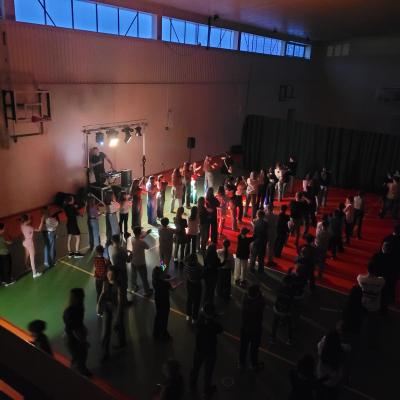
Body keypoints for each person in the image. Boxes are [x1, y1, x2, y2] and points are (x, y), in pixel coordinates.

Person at [189, 303, 223, 397]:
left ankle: (192, 385)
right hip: (210, 351)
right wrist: (216, 319)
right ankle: (206, 390)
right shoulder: (214, 325)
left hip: (199, 349)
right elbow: (220, 329)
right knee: (208, 372)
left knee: (195, 368)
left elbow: (198, 323)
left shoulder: (199, 322)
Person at [97, 269, 126, 361]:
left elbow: (120, 301)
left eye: (111, 274)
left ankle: (121, 342)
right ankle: (105, 352)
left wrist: (118, 315)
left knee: (118, 325)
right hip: (107, 306)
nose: (109, 275)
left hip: (115, 306)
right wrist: (99, 304)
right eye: (108, 273)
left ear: (115, 276)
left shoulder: (118, 285)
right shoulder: (105, 282)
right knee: (106, 330)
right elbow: (103, 292)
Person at [63, 288, 91, 377]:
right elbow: (74, 329)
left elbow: (78, 323)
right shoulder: (72, 311)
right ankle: (80, 372)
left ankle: (79, 369)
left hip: (73, 336)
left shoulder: (78, 308)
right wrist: (83, 341)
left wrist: (83, 328)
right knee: (80, 356)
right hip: (72, 338)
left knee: (77, 356)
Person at [357, 259, 385, 347]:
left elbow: (360, 281)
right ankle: (371, 341)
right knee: (372, 324)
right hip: (374, 306)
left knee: (363, 321)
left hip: (364, 303)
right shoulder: (381, 281)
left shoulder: (361, 279)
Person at [238, 284, 266, 370]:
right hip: (255, 329)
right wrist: (260, 294)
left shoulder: (245, 299)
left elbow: (247, 294)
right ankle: (253, 364)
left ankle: (241, 363)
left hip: (245, 328)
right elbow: (263, 302)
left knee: (243, 347)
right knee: (254, 348)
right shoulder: (259, 303)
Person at [316, 329, 348, 400]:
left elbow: (319, 344)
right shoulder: (340, 353)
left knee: (319, 395)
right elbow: (348, 348)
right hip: (333, 381)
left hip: (321, 376)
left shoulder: (322, 348)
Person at [153, 266, 176, 340]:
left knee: (158, 315)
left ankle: (156, 332)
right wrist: (176, 284)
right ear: (161, 275)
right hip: (165, 301)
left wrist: (169, 279)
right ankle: (164, 335)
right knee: (164, 318)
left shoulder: (155, 280)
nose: (165, 273)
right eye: (163, 273)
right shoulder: (165, 284)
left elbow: (164, 277)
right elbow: (172, 289)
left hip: (158, 299)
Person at [131, 226, 153, 296]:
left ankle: (134, 287)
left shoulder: (132, 239)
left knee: (134, 276)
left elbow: (139, 238)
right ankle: (147, 291)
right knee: (144, 278)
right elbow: (147, 247)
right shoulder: (141, 242)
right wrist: (146, 234)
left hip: (133, 261)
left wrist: (146, 233)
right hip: (141, 262)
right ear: (140, 233)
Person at [107, 235, 129, 305]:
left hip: (114, 270)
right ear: (119, 241)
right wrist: (130, 254)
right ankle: (124, 302)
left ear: (112, 241)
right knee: (123, 287)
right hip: (122, 271)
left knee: (116, 286)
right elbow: (128, 260)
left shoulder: (110, 248)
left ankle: (116, 301)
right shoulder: (121, 250)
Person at [20, 214, 42, 278]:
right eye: (29, 219)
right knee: (32, 258)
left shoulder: (21, 226)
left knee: (27, 254)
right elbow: (39, 229)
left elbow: (27, 222)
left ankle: (26, 266)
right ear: (27, 220)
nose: (30, 220)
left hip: (25, 242)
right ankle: (34, 273)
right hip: (29, 243)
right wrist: (42, 221)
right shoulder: (30, 228)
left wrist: (29, 218)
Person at [185, 253, 203, 324]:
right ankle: (194, 317)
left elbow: (185, 273)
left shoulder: (187, 266)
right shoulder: (198, 267)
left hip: (189, 283)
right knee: (196, 301)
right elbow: (202, 272)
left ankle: (188, 314)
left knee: (189, 299)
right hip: (196, 285)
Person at [249, 210, 268, 274]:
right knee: (261, 257)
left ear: (257, 215)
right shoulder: (265, 223)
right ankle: (260, 269)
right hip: (262, 241)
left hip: (255, 240)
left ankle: (251, 268)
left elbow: (253, 230)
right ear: (263, 216)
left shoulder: (254, 221)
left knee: (253, 256)